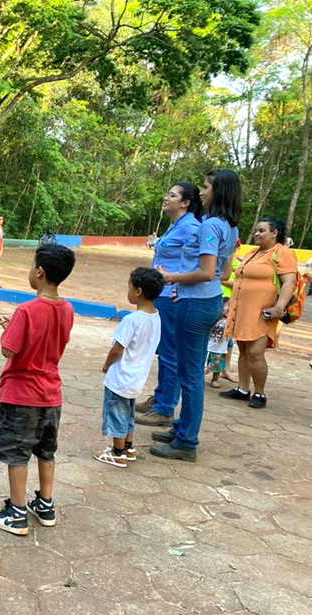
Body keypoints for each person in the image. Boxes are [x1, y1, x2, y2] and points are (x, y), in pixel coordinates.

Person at [0, 244, 76, 536]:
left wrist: (10, 330)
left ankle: (16, 512)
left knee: (17, 454)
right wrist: (15, 327)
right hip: (51, 395)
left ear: (39, 272)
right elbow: (52, 339)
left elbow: (8, 350)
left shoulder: (26, 310)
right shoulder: (67, 308)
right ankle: (45, 505)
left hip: (22, 395)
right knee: (46, 452)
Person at [152, 168, 241, 462]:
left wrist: (170, 278)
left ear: (218, 191)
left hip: (195, 304)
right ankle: (181, 428)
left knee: (189, 375)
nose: (202, 192)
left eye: (206, 187)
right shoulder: (230, 227)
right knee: (190, 371)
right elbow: (223, 273)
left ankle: (187, 441)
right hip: (208, 300)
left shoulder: (210, 225)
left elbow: (205, 272)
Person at [136, 183, 203, 427]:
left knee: (170, 352)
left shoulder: (192, 227)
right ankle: (160, 397)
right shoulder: (176, 225)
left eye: (172, 195)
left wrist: (177, 282)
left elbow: (199, 262)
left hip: (172, 295)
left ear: (185, 203)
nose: (166, 198)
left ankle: (165, 408)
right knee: (163, 350)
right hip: (162, 293)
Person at [220, 217, 298, 408]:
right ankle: (243, 389)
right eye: (256, 230)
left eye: (262, 230)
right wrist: (229, 303)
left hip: (263, 311)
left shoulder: (282, 253)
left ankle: (260, 393)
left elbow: (289, 282)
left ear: (274, 233)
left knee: (255, 352)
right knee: (244, 349)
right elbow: (240, 281)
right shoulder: (253, 253)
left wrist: (279, 308)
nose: (256, 234)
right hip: (242, 309)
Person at [94, 268, 163, 468]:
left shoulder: (132, 320)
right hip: (136, 378)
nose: (128, 291)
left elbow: (117, 348)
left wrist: (106, 365)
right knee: (128, 413)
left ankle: (117, 452)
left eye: (129, 287)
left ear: (138, 291)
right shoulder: (156, 317)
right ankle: (128, 447)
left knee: (117, 413)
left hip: (120, 377)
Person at [219, 241, 242, 383]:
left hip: (228, 301)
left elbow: (239, 285)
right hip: (215, 298)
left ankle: (225, 369)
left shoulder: (239, 265)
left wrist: (219, 278)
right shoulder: (217, 260)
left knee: (227, 338)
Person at [206, 303, 230, 389]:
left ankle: (215, 379)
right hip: (207, 346)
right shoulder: (213, 318)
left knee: (218, 366)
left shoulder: (228, 321)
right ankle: (200, 378)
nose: (225, 312)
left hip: (219, 348)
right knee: (202, 364)